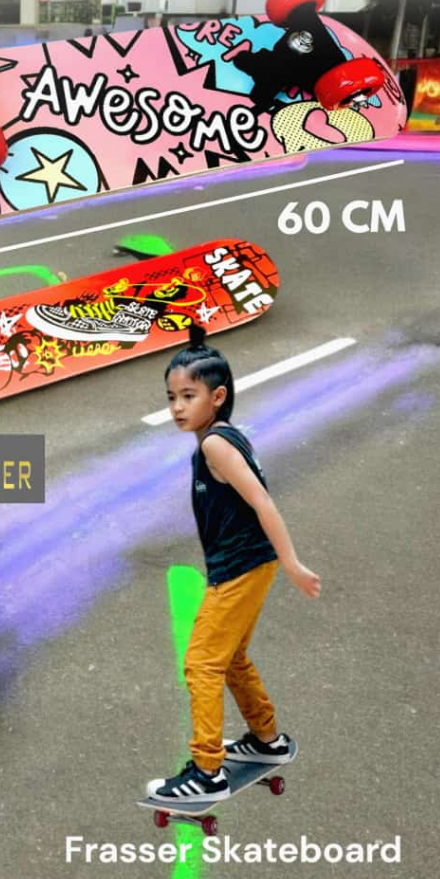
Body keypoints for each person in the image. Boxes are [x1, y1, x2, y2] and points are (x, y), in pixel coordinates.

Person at [146, 324, 320, 803]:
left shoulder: (214, 445)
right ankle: (267, 740)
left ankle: (208, 770)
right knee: (232, 657)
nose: (177, 407)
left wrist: (293, 562)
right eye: (172, 397)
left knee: (202, 663)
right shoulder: (223, 437)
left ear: (217, 396)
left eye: (189, 396)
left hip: (241, 568)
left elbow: (263, 501)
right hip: (250, 564)